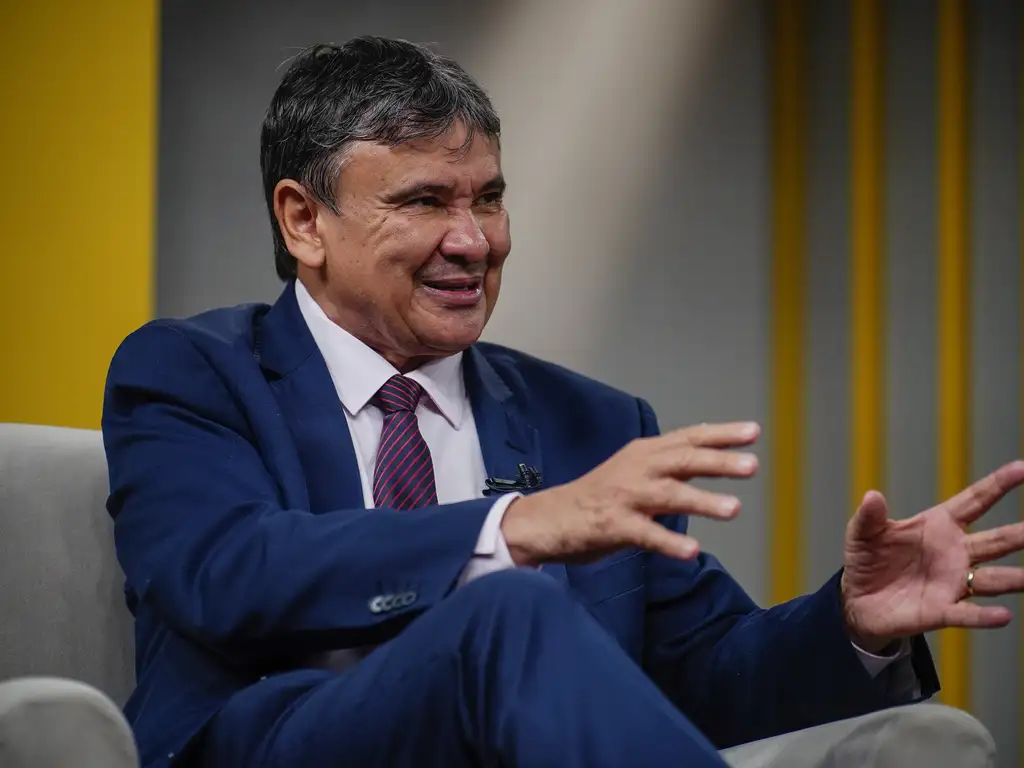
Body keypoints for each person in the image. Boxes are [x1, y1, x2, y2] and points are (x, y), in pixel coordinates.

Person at [101, 36, 1024, 768]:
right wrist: (512, 529)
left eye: (489, 199)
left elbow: (698, 678)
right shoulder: (191, 372)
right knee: (511, 612)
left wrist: (851, 624)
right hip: (282, 744)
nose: (474, 240)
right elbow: (223, 570)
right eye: (424, 202)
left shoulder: (595, 423)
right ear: (304, 220)